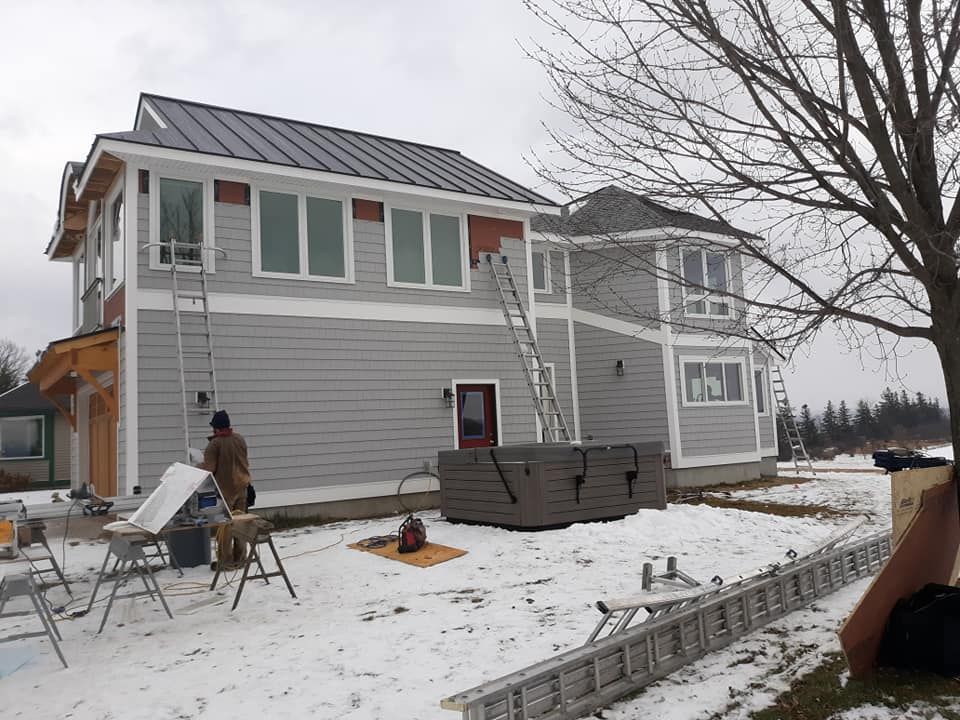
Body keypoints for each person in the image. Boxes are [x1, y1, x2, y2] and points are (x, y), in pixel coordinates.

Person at [198, 409, 252, 568]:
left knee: (225, 527)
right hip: (242, 487)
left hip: (225, 490)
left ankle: (225, 561)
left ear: (216, 428)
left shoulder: (214, 445)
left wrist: (197, 466)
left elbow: (210, 469)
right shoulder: (240, 439)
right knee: (241, 524)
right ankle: (241, 559)